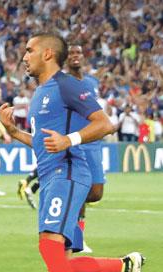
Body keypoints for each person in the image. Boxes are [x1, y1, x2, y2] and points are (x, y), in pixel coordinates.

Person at [0, 32, 146, 272]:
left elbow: (104, 123)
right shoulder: (41, 93)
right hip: (52, 174)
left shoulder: (66, 85)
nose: (24, 56)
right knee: (60, 261)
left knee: (49, 246)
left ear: (48, 53)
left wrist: (70, 140)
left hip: (67, 172)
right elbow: (42, 143)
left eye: (29, 50)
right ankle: (125, 265)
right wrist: (13, 132)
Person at [65, 44, 104, 253]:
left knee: (96, 193)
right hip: (75, 143)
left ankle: (66, 201)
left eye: (78, 53)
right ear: (66, 58)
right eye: (70, 54)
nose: (75, 56)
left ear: (83, 56)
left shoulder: (91, 82)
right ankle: (77, 237)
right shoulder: (62, 83)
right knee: (80, 189)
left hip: (94, 143)